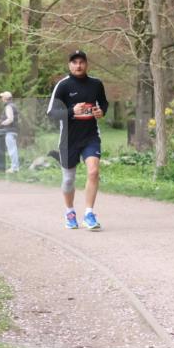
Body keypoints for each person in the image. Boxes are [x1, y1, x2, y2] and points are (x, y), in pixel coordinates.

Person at [46, 50, 108, 230]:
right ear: (69, 65)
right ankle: (70, 211)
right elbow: (51, 113)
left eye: (81, 62)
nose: (78, 65)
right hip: (69, 139)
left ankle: (89, 213)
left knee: (94, 172)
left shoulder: (96, 84)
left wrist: (101, 111)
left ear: (86, 64)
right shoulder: (63, 86)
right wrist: (72, 111)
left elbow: (103, 103)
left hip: (90, 137)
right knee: (68, 180)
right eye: (74, 62)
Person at [0, 91, 20, 173]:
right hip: (13, 130)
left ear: (5, 99)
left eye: (2, 97)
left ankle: (14, 168)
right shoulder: (13, 105)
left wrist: (2, 123)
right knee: (13, 149)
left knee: (12, 150)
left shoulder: (8, 107)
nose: (1, 99)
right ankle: (15, 167)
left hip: (10, 131)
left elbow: (10, 119)